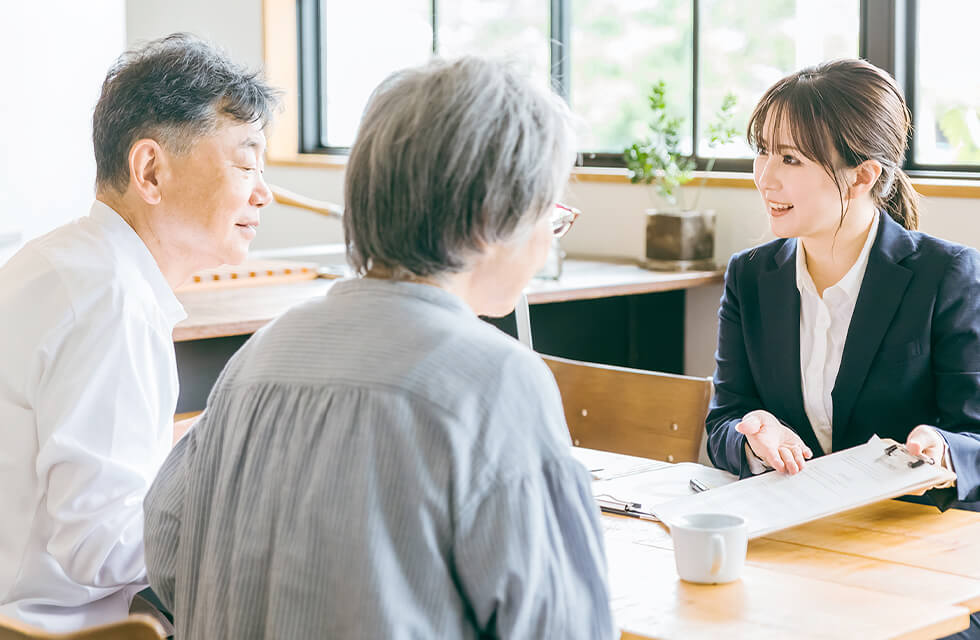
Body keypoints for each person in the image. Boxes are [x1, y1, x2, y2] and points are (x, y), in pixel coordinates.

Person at [143, 57, 615, 639]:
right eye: (550, 213)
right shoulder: (496, 381)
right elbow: (563, 627)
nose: (548, 239)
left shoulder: (261, 356)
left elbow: (166, 548)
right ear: (494, 216)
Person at [0, 33, 278, 631]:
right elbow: (100, 547)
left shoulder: (63, 262)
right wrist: (249, 510)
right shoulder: (111, 302)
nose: (265, 192)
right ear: (150, 170)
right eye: (245, 163)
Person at [705, 59, 980, 510]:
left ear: (862, 176)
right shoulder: (749, 276)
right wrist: (753, 438)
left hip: (909, 532)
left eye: (790, 159)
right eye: (763, 151)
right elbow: (724, 422)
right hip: (795, 525)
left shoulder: (948, 274)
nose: (764, 177)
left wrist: (943, 449)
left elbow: (974, 437)